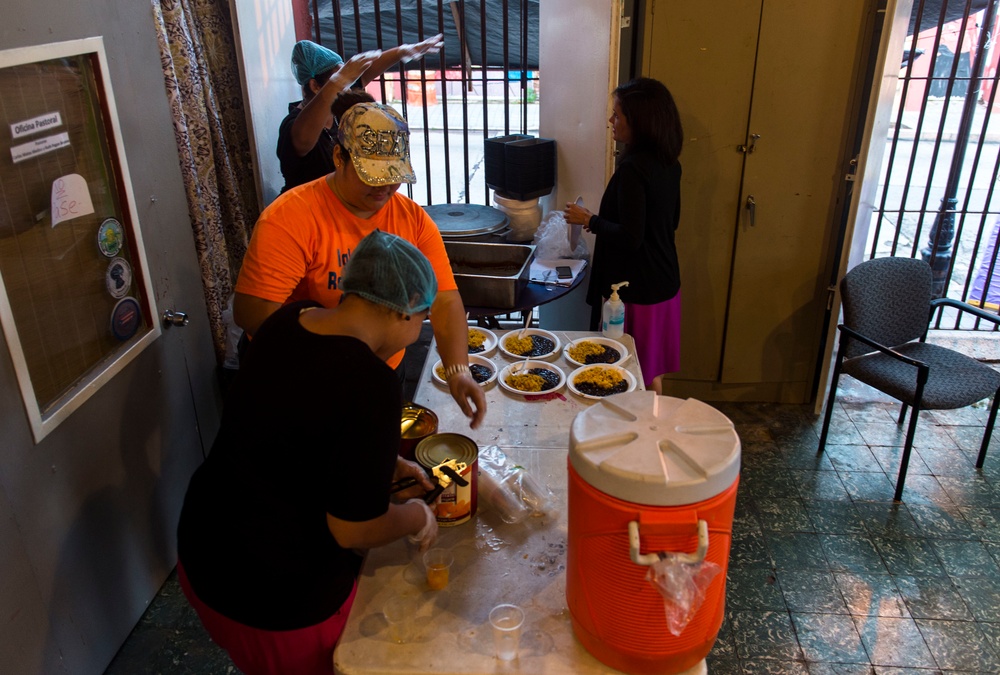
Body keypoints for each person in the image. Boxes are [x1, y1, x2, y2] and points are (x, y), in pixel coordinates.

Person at [177, 230, 441, 675]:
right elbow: (352, 530)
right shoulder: (371, 383)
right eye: (422, 319)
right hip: (274, 595)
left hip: (203, 549)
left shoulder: (290, 319)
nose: (417, 334)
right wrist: (417, 517)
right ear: (402, 308)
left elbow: (290, 430)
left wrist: (383, 462)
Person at [236, 101, 487, 429]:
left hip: (381, 368)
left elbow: (444, 300)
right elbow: (253, 313)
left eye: (393, 176)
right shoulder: (291, 217)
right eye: (372, 176)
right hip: (297, 374)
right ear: (339, 157)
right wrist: (341, 356)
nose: (384, 188)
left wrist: (458, 370)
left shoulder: (412, 219)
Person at [563, 77, 683, 388]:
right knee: (652, 372)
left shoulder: (633, 169)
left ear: (639, 121)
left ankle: (644, 432)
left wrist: (588, 219)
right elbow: (671, 222)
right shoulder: (668, 162)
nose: (611, 121)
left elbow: (632, 237)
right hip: (664, 282)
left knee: (630, 372)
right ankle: (652, 430)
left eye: (617, 115)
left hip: (636, 290)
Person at [278, 35, 444, 192]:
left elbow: (368, 71)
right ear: (315, 86)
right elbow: (303, 141)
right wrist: (339, 81)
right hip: (307, 212)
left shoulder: (338, 107)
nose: (349, 88)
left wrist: (404, 51)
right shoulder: (294, 125)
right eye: (342, 82)